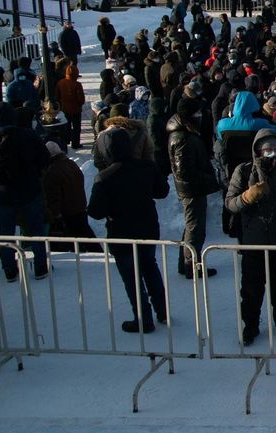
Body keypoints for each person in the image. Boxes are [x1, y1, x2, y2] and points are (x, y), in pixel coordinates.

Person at [224, 128, 276, 345]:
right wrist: (247, 197)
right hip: (254, 241)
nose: (271, 153)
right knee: (251, 288)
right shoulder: (243, 171)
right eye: (267, 150)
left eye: (275, 149)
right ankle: (250, 325)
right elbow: (230, 203)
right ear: (258, 150)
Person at [86, 128, 170, 332]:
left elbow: (95, 212)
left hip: (121, 233)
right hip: (148, 228)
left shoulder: (105, 178)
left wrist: (102, 190)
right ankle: (162, 311)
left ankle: (143, 319)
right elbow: (162, 191)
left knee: (133, 278)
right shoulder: (146, 166)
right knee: (150, 267)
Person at [0, 102, 52, 281]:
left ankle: (10, 270)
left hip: (2, 193)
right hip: (29, 189)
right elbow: (45, 159)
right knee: (36, 228)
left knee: (4, 232)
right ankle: (41, 267)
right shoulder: (27, 135)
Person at [168, 97, 220, 279]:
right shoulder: (182, 137)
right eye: (196, 113)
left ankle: (185, 263)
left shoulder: (184, 133)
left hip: (192, 187)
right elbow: (184, 170)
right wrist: (207, 177)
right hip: (192, 189)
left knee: (192, 227)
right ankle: (191, 266)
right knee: (195, 228)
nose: (200, 116)